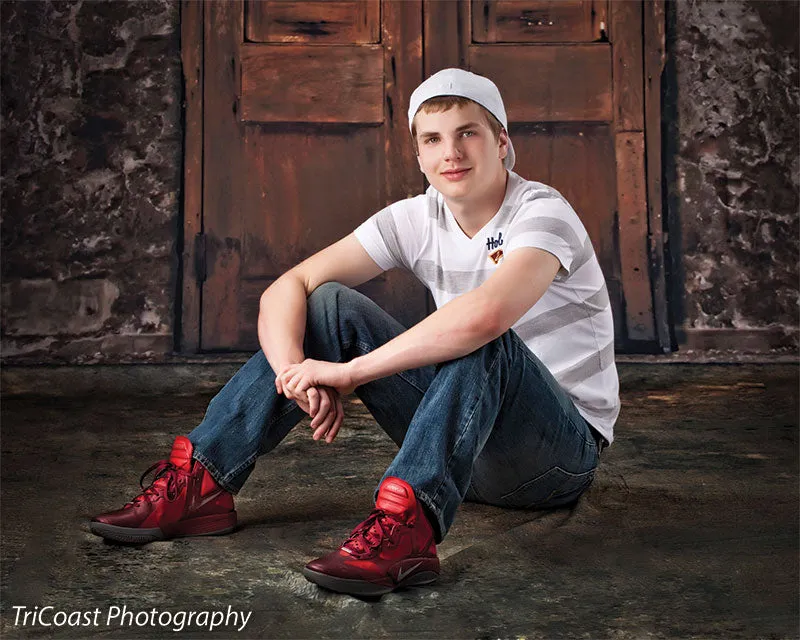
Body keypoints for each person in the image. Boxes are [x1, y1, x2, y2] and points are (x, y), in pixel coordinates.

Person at [90, 68, 620, 597]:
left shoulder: (543, 212)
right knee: (326, 305)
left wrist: (347, 374)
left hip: (554, 458)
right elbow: (288, 286)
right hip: (462, 442)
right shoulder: (416, 218)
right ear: (418, 156)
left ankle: (408, 532)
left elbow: (485, 317)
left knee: (484, 335)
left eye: (468, 133)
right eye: (433, 140)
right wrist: (294, 375)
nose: (450, 153)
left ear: (502, 142)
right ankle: (201, 485)